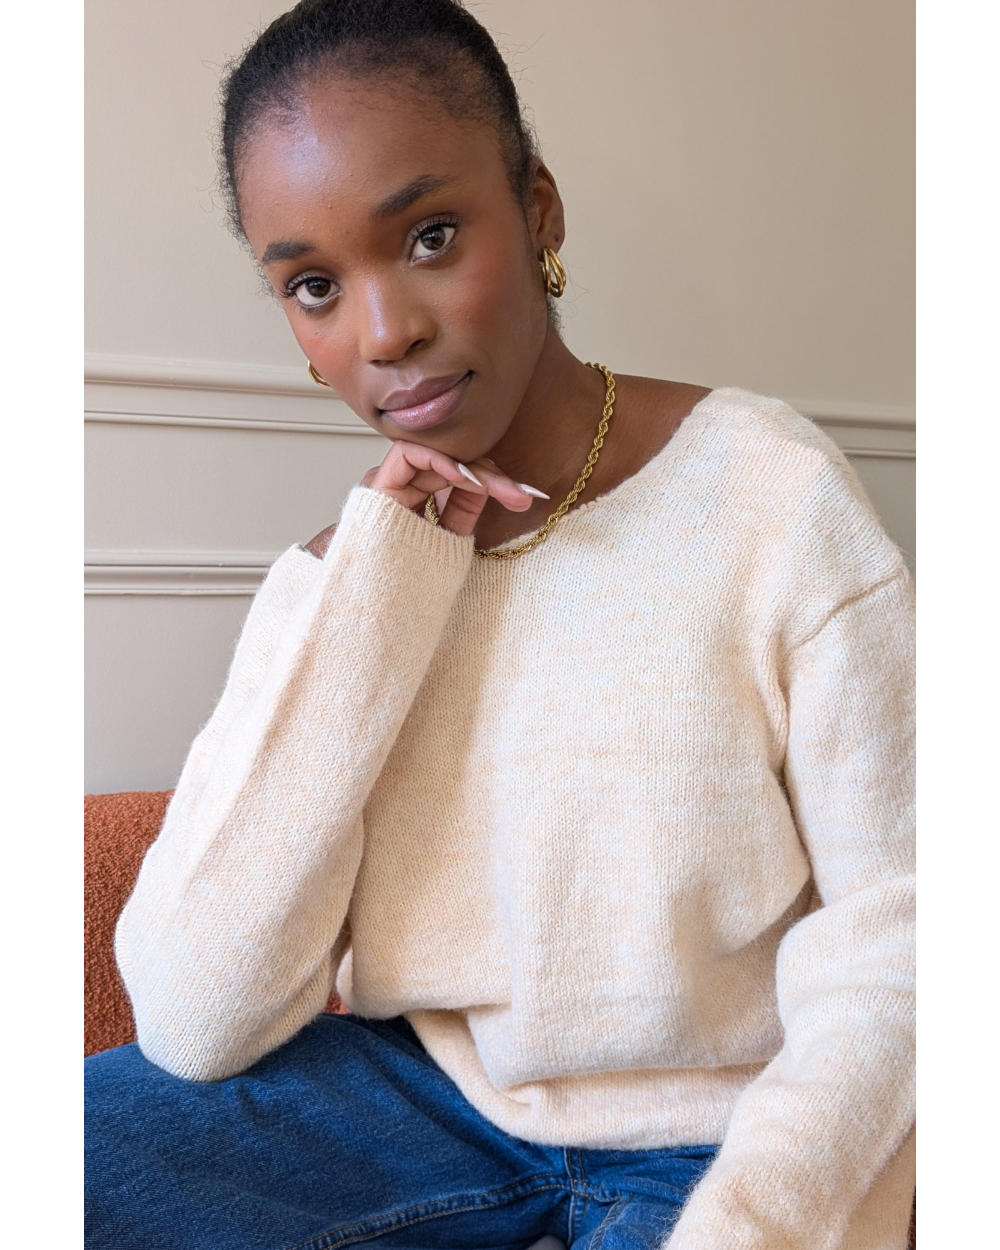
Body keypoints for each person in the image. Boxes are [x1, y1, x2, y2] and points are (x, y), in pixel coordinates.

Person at [84, 1, 915, 1247]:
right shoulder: (339, 577)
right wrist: (374, 598)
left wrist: (762, 1217)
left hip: (729, 1120)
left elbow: (910, 926)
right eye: (314, 285)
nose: (384, 332)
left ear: (538, 211)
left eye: (428, 236)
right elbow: (196, 1017)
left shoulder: (767, 494)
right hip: (420, 1100)